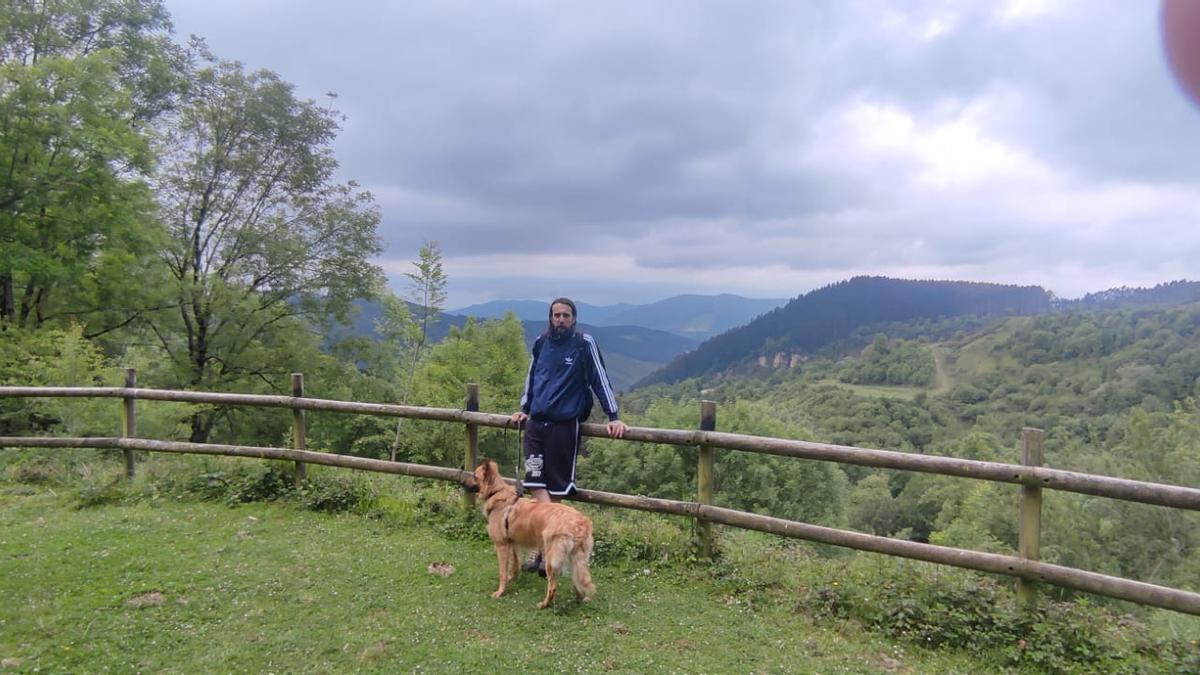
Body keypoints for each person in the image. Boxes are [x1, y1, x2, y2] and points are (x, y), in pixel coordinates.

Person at [511, 298, 628, 573]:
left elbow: (600, 378)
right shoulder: (541, 342)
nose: (560, 320)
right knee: (535, 482)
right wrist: (525, 409)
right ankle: (546, 548)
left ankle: (545, 552)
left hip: (565, 425)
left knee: (557, 488)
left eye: (565, 315)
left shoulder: (583, 343)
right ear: (550, 318)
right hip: (536, 424)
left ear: (574, 318)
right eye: (556, 315)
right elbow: (533, 377)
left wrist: (614, 415)